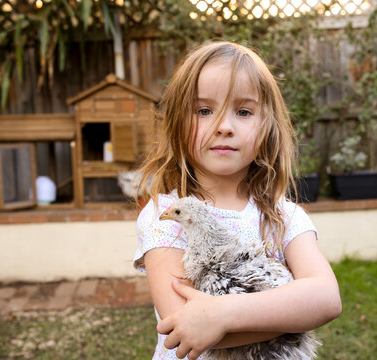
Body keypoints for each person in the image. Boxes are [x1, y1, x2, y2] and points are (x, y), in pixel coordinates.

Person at [133, 41, 342, 360]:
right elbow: (184, 323)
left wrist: (223, 314)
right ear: (176, 122)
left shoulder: (283, 217)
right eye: (204, 110)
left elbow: (326, 298)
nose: (224, 127)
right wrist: (291, 315)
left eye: (244, 111)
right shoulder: (168, 215)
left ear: (266, 127)